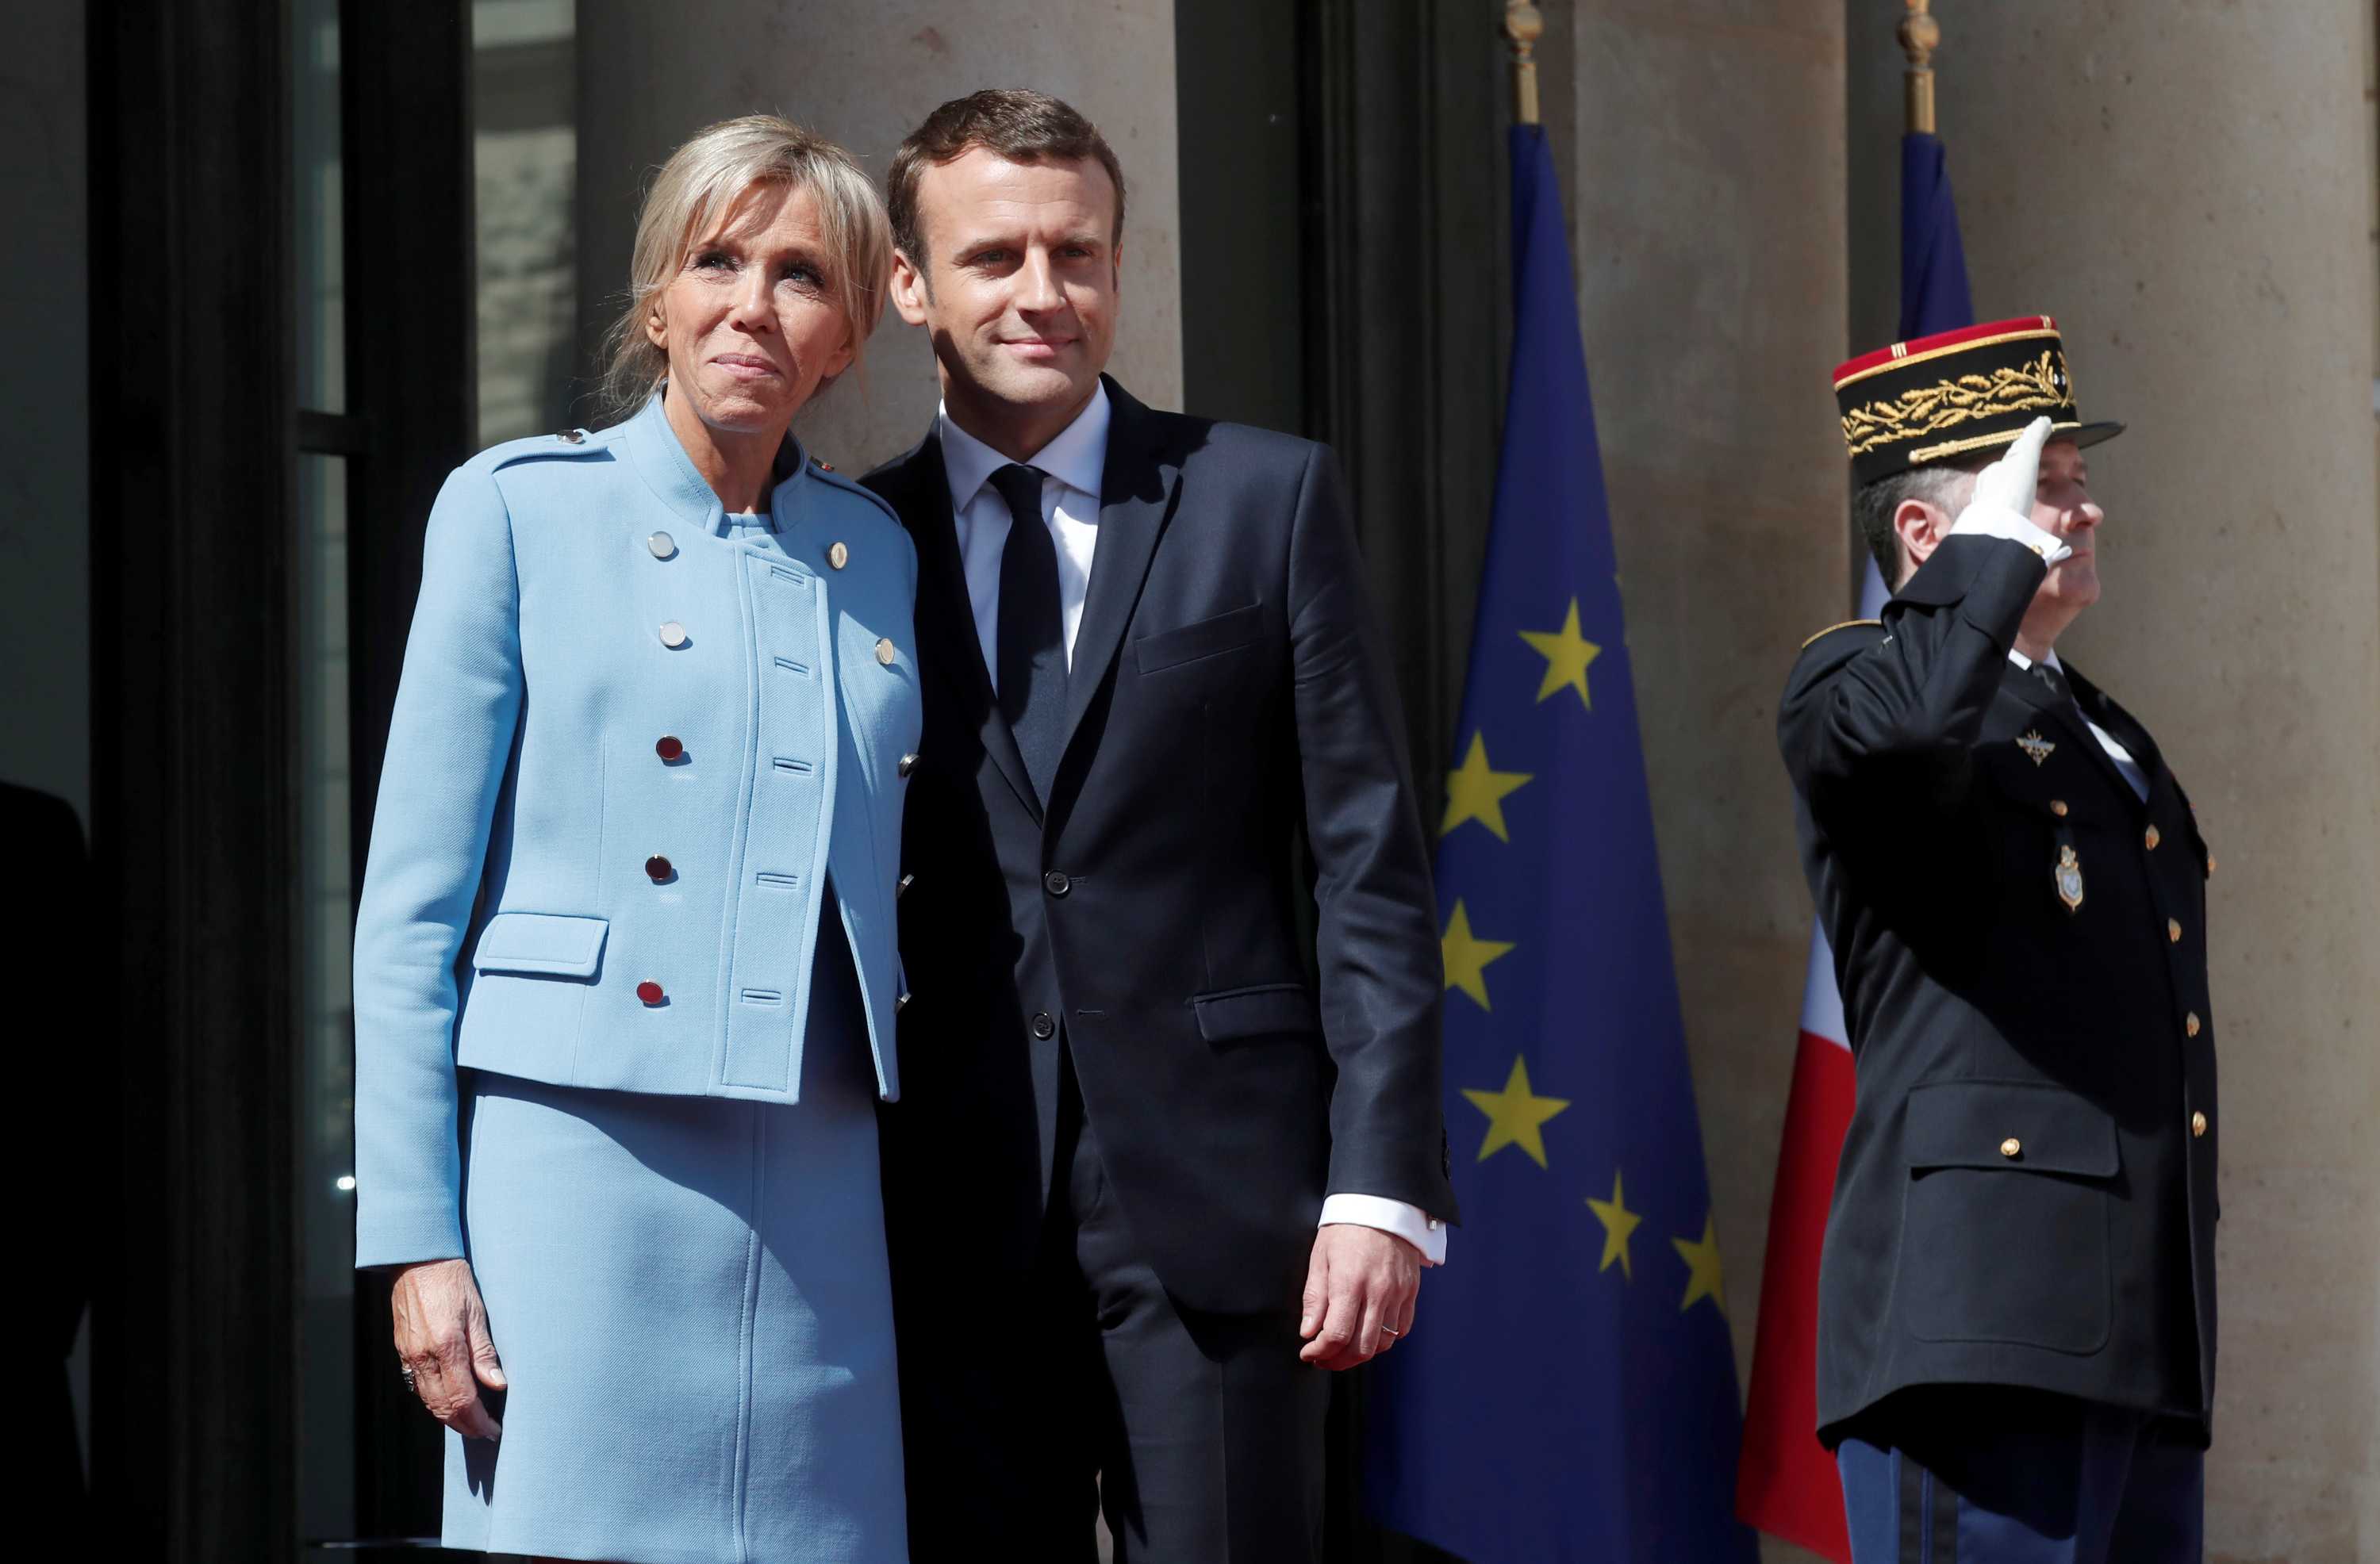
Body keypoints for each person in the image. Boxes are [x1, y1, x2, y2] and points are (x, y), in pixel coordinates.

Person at [862, 88, 1456, 1563]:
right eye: (994, 256)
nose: (1043, 292)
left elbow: (1369, 867)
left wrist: (1381, 1184)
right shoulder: (851, 544)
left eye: (1078, 253)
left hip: (1225, 1210)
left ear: (1119, 268)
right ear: (910, 286)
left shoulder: (1264, 495)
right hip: (942, 1215)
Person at [350, 116, 916, 1564]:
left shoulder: (876, 554)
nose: (754, 305)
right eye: (717, 261)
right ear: (656, 300)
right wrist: (418, 1238)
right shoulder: (517, 512)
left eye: (802, 275)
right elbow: (411, 913)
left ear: (849, 335)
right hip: (576, 1167)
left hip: (820, 1180)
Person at [1779, 317, 2217, 1561]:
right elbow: (1910, 733)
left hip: (2133, 1330)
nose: (2082, 511)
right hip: (1985, 1323)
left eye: (2076, 483)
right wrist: (1992, 558)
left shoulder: (2099, 727)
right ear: (1930, 536)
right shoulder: (1853, 683)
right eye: (2042, 485)